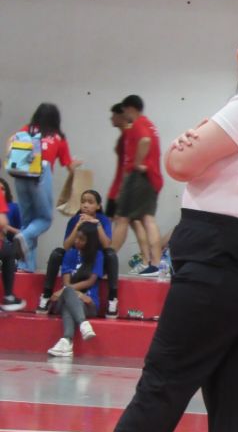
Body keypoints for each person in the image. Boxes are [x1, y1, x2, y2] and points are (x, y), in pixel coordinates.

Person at [48, 4, 238, 432]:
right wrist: (200, 141)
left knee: (163, 381)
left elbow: (180, 163)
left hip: (219, 253)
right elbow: (190, 161)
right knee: (232, 387)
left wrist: (198, 137)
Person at [8, 103, 80, 272]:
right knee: (45, 219)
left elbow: (11, 144)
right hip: (41, 173)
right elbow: (68, 165)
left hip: (20, 175)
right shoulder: (57, 137)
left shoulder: (26, 130)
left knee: (28, 222)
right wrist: (76, 164)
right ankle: (22, 236)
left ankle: (26, 265)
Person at [36, 189, 119, 318]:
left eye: (90, 202)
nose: (85, 205)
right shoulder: (74, 220)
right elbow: (67, 246)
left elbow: (106, 245)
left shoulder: (103, 220)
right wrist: (77, 225)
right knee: (57, 253)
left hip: (96, 259)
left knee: (111, 254)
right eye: (83, 202)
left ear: (98, 206)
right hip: (76, 258)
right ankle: (46, 296)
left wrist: (97, 225)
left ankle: (112, 300)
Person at [110, 95, 163, 276]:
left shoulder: (139, 124)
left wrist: (138, 163)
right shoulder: (149, 124)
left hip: (139, 177)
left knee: (123, 219)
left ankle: (108, 260)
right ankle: (155, 263)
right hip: (152, 177)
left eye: (124, 110)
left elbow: (145, 140)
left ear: (130, 108)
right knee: (146, 219)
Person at [106, 103, 150, 274]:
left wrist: (124, 189)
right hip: (119, 185)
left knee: (126, 221)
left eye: (114, 115)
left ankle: (108, 259)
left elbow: (131, 163)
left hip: (124, 186)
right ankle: (146, 260)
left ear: (122, 115)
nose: (111, 118)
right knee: (131, 222)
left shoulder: (130, 134)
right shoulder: (125, 135)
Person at [46, 222, 102, 357]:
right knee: (68, 295)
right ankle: (83, 324)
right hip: (71, 297)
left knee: (68, 302)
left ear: (90, 241)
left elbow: (90, 281)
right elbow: (66, 283)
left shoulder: (98, 255)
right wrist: (76, 294)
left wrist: (67, 291)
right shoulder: (70, 253)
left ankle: (66, 342)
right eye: (76, 237)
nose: (76, 241)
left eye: (81, 239)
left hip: (89, 302)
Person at [0, 185, 26, 311]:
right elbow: (2, 221)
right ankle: (9, 296)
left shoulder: (14, 207)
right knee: (9, 252)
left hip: (6, 241)